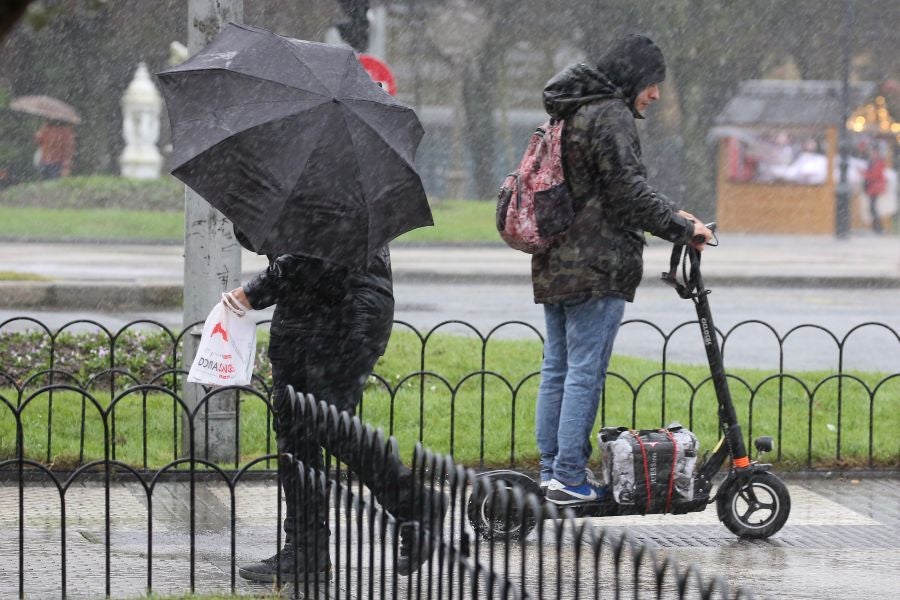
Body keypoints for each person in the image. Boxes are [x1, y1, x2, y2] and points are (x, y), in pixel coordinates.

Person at [534, 34, 712, 505]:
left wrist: (675, 218)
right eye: (652, 83)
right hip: (596, 262)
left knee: (558, 368)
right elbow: (627, 192)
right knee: (582, 372)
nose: (655, 94)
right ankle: (568, 477)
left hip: (556, 259)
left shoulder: (570, 108)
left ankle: (551, 472)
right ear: (634, 76)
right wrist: (681, 226)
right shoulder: (609, 113)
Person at [229, 234, 446, 584]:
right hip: (302, 321)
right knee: (295, 437)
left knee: (331, 427)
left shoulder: (332, 188)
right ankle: (305, 549)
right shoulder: (297, 185)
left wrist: (255, 292)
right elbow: (265, 239)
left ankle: (417, 505)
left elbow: (310, 253)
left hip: (346, 320)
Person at [863, 146, 887, 234]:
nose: (872, 154)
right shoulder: (875, 162)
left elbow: (874, 175)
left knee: (873, 208)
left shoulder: (878, 162)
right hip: (873, 188)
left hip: (875, 188)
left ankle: (878, 228)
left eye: (874, 152)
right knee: (872, 208)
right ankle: (877, 228)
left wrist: (863, 173)